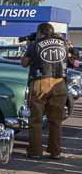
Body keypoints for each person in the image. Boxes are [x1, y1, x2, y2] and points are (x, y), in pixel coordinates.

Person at [21, 22, 67, 159]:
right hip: (60, 83)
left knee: (36, 120)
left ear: (40, 32)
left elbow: (24, 63)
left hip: (40, 81)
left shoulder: (35, 44)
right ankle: (55, 151)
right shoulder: (62, 43)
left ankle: (35, 152)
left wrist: (29, 44)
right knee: (56, 121)